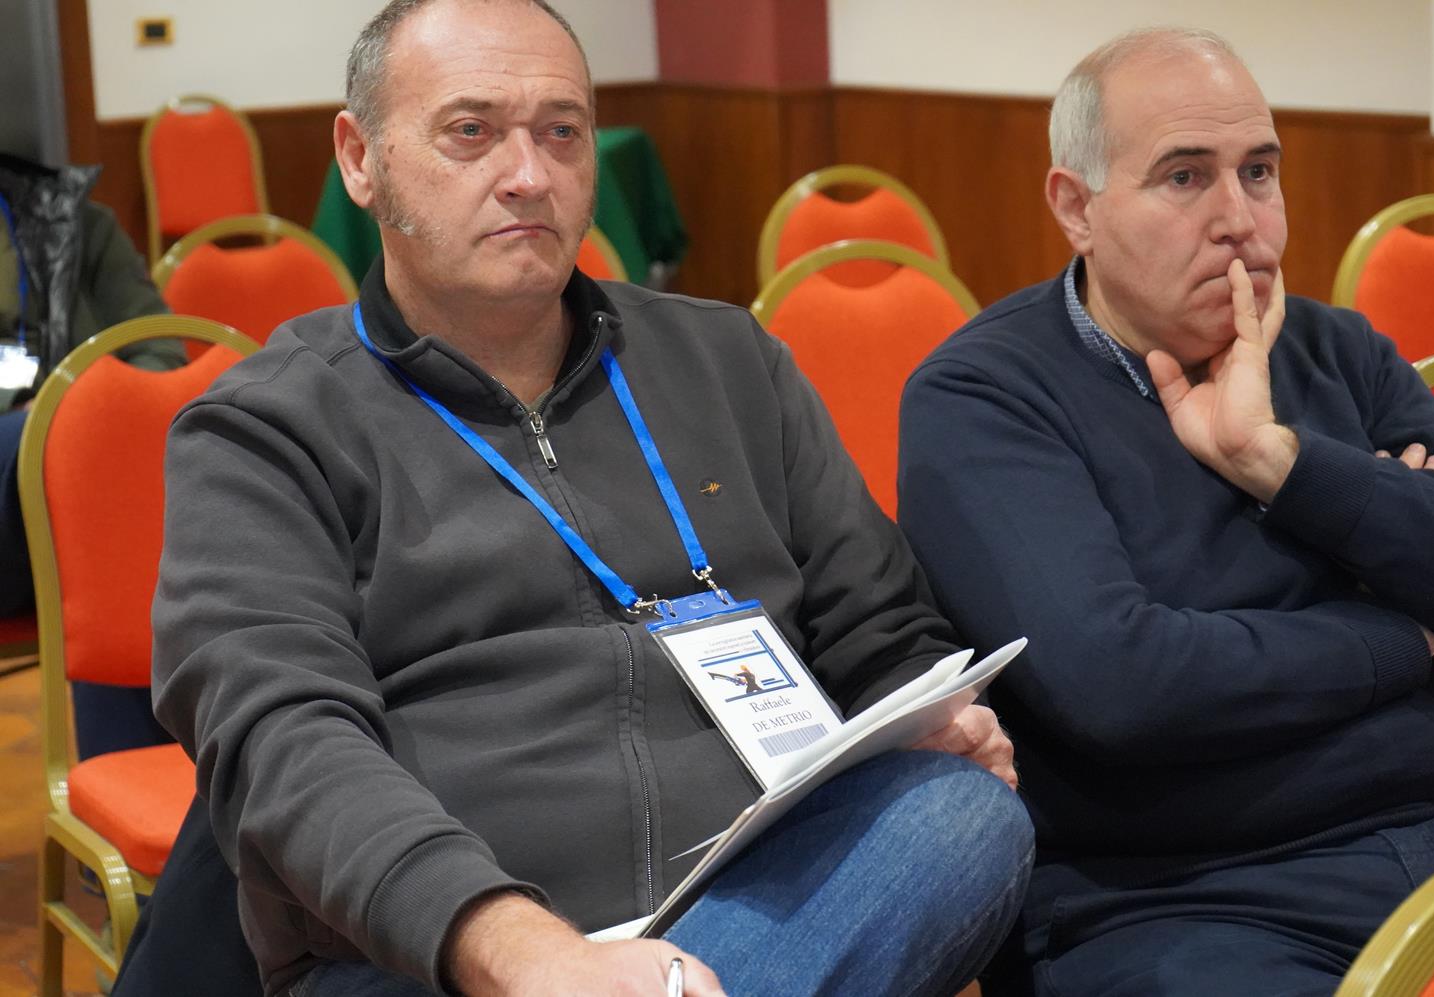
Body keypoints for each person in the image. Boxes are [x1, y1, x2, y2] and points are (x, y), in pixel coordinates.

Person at [139, 2, 1033, 995]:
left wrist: (931, 716)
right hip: (444, 950)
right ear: (361, 158)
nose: (529, 174)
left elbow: (881, 622)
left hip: (759, 887)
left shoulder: (729, 361)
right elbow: (283, 740)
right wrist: (523, 951)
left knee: (962, 816)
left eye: (561, 131)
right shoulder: (267, 426)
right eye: (471, 130)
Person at [899, 27, 1434, 997]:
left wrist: (1280, 462)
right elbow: (1123, 684)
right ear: (1077, 207)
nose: (1238, 219)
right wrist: (1402, 626)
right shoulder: (984, 394)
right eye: (1185, 177)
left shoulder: (1339, 351)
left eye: (1259, 172)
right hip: (1179, 901)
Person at [0, 152, 182, 755]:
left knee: (108, 460)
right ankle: (134, 776)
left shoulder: (77, 222)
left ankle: (142, 778)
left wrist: (81, 408)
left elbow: (161, 349)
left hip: (86, 481)